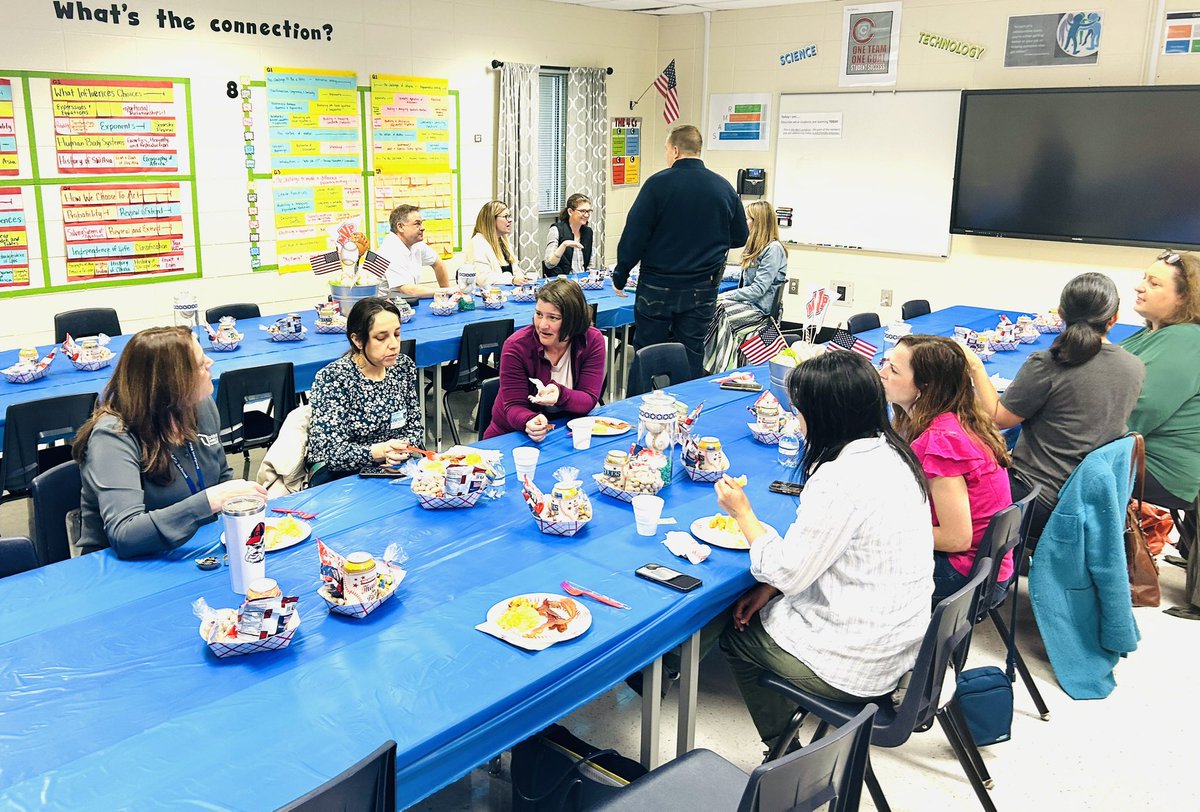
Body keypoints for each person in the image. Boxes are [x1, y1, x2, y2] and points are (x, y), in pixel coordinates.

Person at [712, 351, 933, 751]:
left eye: (798, 412)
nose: (795, 420)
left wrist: (742, 513)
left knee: (735, 638)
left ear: (825, 416)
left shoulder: (840, 478)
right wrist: (774, 589)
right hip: (900, 644)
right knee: (762, 599)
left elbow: (786, 571)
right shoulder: (892, 450)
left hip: (859, 662)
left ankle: (784, 753)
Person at [968, 273, 1145, 544]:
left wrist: (975, 366)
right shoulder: (1135, 367)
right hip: (1093, 497)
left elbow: (997, 418)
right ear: (1114, 318)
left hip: (1037, 497)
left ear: (1060, 313)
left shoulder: (1049, 363)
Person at [74, 327, 266, 558]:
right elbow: (125, 533)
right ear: (170, 382)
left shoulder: (200, 406)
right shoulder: (113, 436)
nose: (210, 363)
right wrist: (209, 501)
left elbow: (221, 476)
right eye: (200, 364)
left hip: (194, 546)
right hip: (123, 564)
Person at [882, 335, 1014, 605]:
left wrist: (883, 532)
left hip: (966, 575)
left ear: (925, 388)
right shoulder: (957, 418)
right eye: (886, 363)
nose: (881, 373)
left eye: (893, 370)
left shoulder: (942, 441)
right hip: (984, 565)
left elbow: (956, 539)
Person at [612, 124, 748, 379]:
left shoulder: (657, 185)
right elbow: (740, 236)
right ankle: (687, 402)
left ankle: (642, 400)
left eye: (666, 149)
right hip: (702, 287)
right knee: (691, 354)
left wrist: (621, 274)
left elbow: (635, 235)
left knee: (647, 354)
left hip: (657, 285)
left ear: (675, 150)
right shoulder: (723, 187)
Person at [1121, 251, 1200, 619]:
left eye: (1154, 283)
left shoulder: (1184, 341)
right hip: (1148, 452)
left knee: (1053, 459)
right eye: (1144, 278)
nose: (1140, 287)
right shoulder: (1157, 331)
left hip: (1167, 471)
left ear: (1185, 298)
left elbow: (1137, 413)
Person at [307, 297, 424, 479]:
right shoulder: (334, 378)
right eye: (381, 338)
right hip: (342, 475)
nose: (394, 344)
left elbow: (415, 427)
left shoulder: (402, 366)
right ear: (358, 340)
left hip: (394, 466)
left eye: (397, 334)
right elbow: (332, 453)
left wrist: (403, 448)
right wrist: (380, 452)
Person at [485, 278, 605, 441]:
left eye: (553, 318)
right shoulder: (516, 347)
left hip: (566, 433)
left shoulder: (591, 340)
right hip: (511, 435)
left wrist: (560, 395)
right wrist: (529, 420)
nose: (542, 325)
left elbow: (589, 399)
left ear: (574, 320)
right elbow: (514, 406)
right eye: (539, 314)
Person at [703, 199, 788, 372]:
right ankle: (718, 364)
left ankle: (721, 368)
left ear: (759, 222)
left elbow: (759, 289)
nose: (744, 223)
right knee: (715, 307)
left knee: (721, 311)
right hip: (751, 304)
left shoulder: (773, 249)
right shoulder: (756, 246)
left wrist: (727, 295)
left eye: (747, 219)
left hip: (761, 310)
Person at [375, 204, 450, 299]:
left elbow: (438, 263)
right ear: (400, 227)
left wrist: (446, 297)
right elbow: (409, 290)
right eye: (417, 224)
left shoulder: (415, 244)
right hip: (380, 305)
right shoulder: (389, 249)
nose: (422, 228)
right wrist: (447, 291)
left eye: (421, 223)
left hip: (403, 301)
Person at [467, 200, 527, 287]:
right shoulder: (477, 243)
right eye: (505, 216)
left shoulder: (503, 241)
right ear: (491, 220)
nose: (510, 220)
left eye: (509, 216)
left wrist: (522, 278)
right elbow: (483, 278)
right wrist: (512, 280)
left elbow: (515, 270)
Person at [542, 193, 598, 278]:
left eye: (588, 211)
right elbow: (549, 264)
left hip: (582, 280)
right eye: (582, 211)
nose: (586, 215)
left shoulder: (588, 232)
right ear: (570, 212)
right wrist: (564, 245)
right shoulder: (556, 230)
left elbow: (590, 265)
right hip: (562, 281)